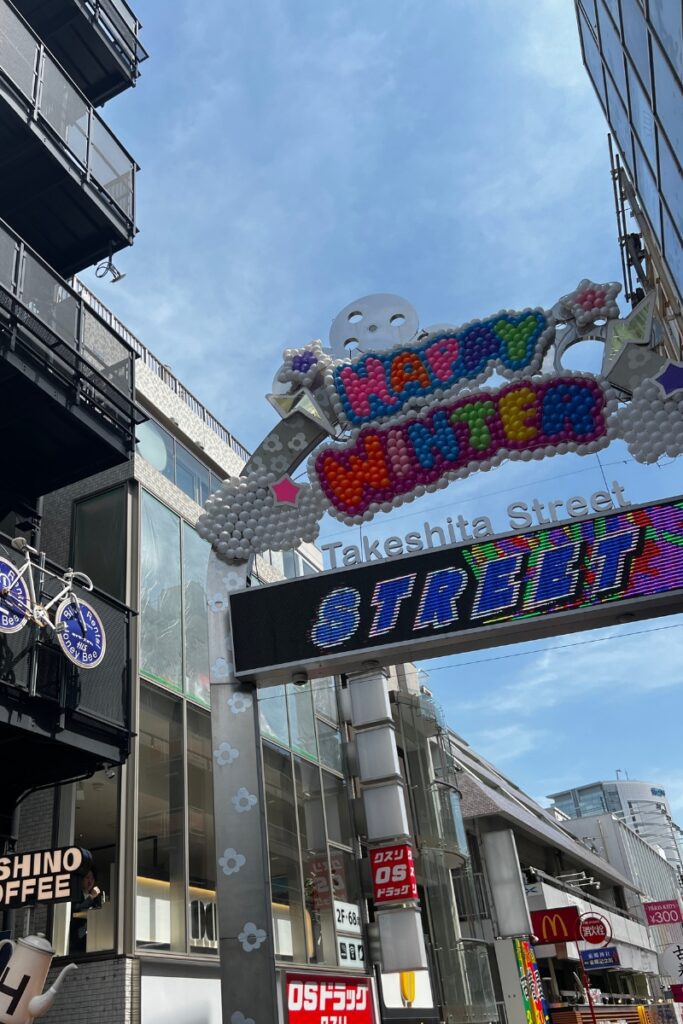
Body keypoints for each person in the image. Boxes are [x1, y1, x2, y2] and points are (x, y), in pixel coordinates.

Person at [69, 867, 102, 954]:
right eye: (87, 878)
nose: (90, 881)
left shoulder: (95, 899)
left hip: (90, 937)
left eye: (92, 878)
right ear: (81, 879)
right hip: (76, 938)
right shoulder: (75, 893)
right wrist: (91, 896)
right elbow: (77, 909)